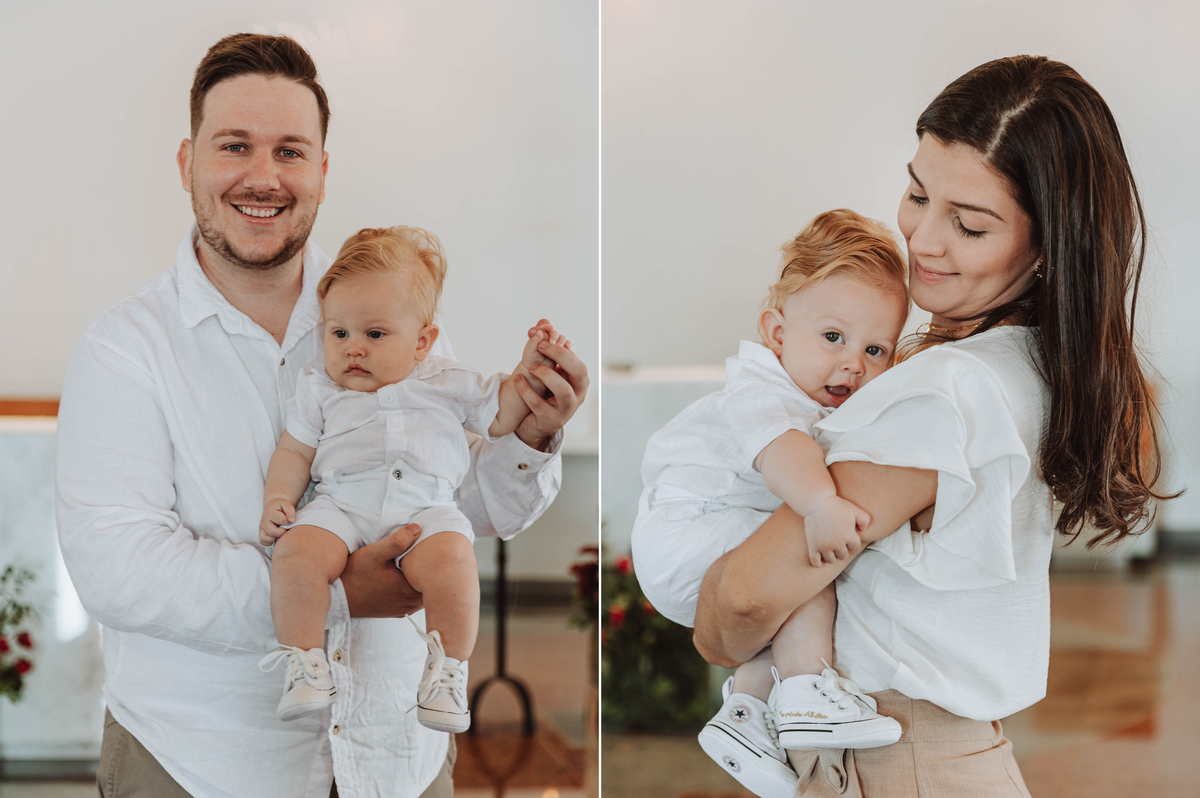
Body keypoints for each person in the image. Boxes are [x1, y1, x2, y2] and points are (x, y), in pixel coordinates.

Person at [55, 34, 588, 798]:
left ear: (324, 171)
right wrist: (336, 592)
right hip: (200, 766)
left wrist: (531, 429)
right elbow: (118, 570)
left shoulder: (394, 314)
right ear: (187, 162)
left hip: (395, 755)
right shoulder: (124, 349)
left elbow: (464, 505)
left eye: (290, 151)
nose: (263, 177)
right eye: (234, 146)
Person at [685, 55, 1170, 796]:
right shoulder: (1026, 361)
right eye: (917, 195)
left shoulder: (950, 388)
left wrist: (714, 618)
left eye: (969, 225)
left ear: (1049, 242)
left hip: (901, 759)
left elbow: (747, 598)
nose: (922, 240)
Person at [631, 209, 909, 798]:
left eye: (876, 349)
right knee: (807, 563)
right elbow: (784, 453)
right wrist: (822, 506)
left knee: (782, 600)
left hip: (700, 542)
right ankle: (808, 694)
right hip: (690, 532)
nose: (853, 363)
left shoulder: (813, 393)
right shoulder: (761, 388)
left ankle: (746, 716)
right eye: (833, 337)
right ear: (777, 333)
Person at [256, 224, 567, 734]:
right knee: (294, 554)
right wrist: (278, 499)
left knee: (455, 563)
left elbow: (501, 413)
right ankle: (306, 663)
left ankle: (446, 675)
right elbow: (294, 449)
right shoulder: (319, 388)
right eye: (339, 333)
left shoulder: (447, 381)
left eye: (374, 334)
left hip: (426, 508)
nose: (353, 349)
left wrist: (530, 371)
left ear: (422, 341)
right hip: (342, 503)